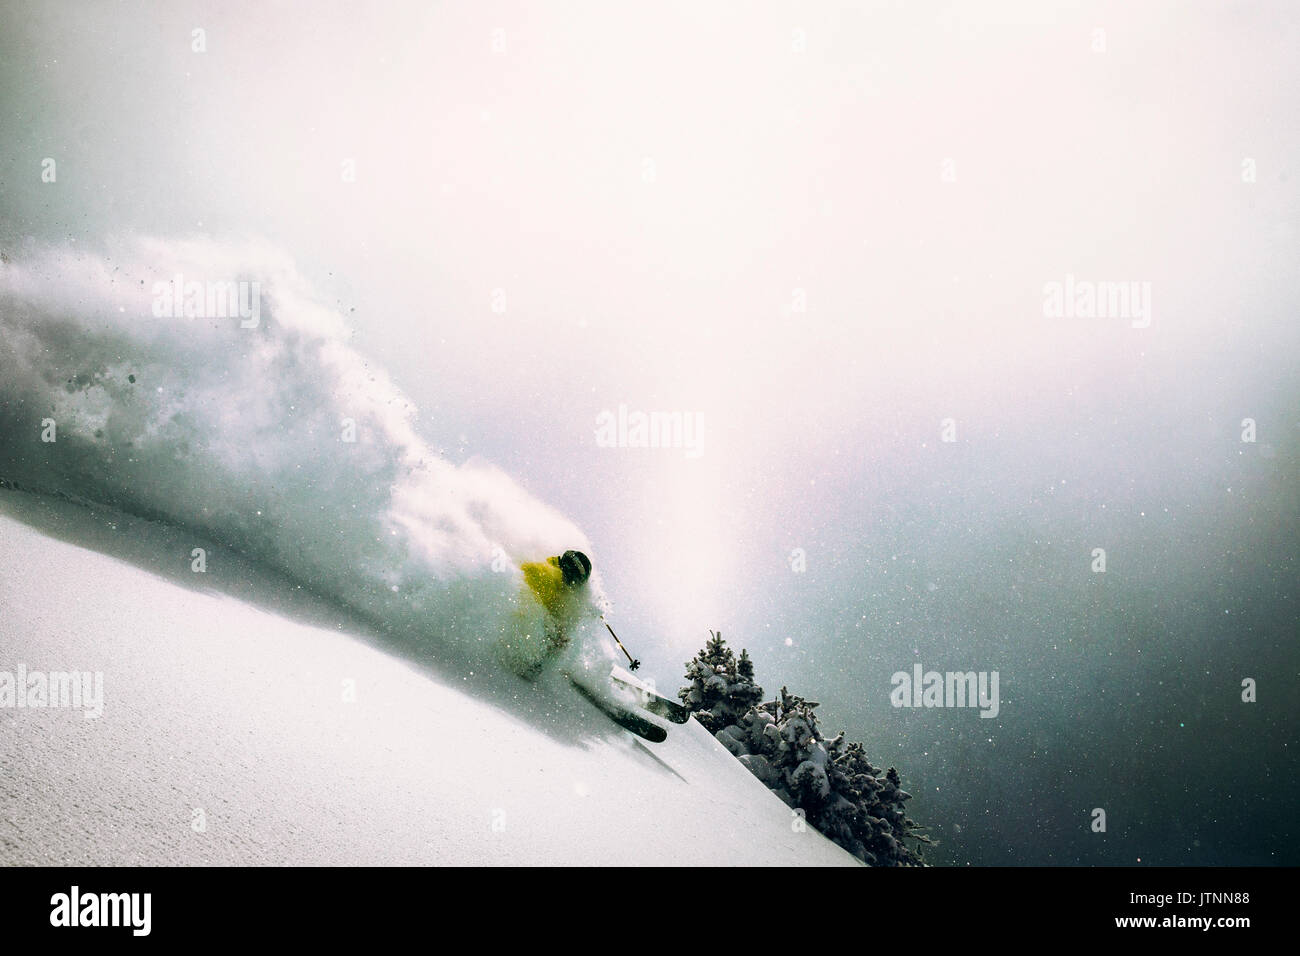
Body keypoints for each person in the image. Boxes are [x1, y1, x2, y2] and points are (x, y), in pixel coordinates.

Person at [507, 550, 592, 677]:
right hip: (511, 632)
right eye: (576, 582)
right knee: (555, 635)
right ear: (570, 573)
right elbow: (526, 609)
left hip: (511, 613)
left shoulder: (550, 570)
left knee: (556, 634)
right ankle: (527, 661)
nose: (573, 587)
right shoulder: (549, 578)